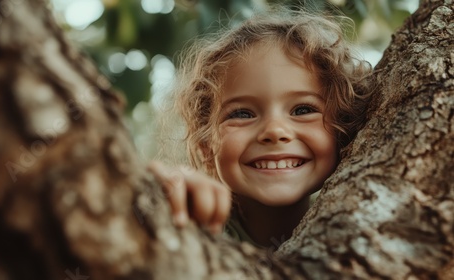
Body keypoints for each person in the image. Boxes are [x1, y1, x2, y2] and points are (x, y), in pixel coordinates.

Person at [149, 6, 372, 249]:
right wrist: (161, 194)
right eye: (242, 114)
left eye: (303, 110)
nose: (274, 131)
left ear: (344, 129)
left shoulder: (359, 219)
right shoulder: (194, 229)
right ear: (205, 146)